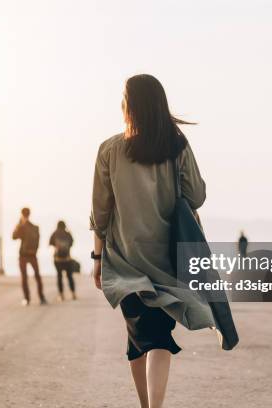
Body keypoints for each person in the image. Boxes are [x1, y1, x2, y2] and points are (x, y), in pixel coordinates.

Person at [91, 74, 224, 408]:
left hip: (124, 262)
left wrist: (96, 259)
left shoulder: (109, 149)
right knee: (150, 339)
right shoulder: (176, 144)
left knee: (144, 338)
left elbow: (101, 211)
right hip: (167, 262)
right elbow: (197, 194)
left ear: (130, 105)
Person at [12, 207, 46, 306]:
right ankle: (41, 297)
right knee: (37, 276)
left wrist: (19, 224)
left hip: (23, 255)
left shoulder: (22, 226)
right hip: (33, 255)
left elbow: (14, 236)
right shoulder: (35, 227)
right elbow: (38, 241)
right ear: (29, 214)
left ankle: (27, 299)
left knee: (24, 277)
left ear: (22, 214)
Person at [49, 221, 76, 301]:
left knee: (59, 277)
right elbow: (71, 244)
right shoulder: (68, 234)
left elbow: (50, 243)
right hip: (67, 259)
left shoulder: (54, 233)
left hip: (58, 259)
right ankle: (73, 294)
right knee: (70, 276)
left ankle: (61, 295)